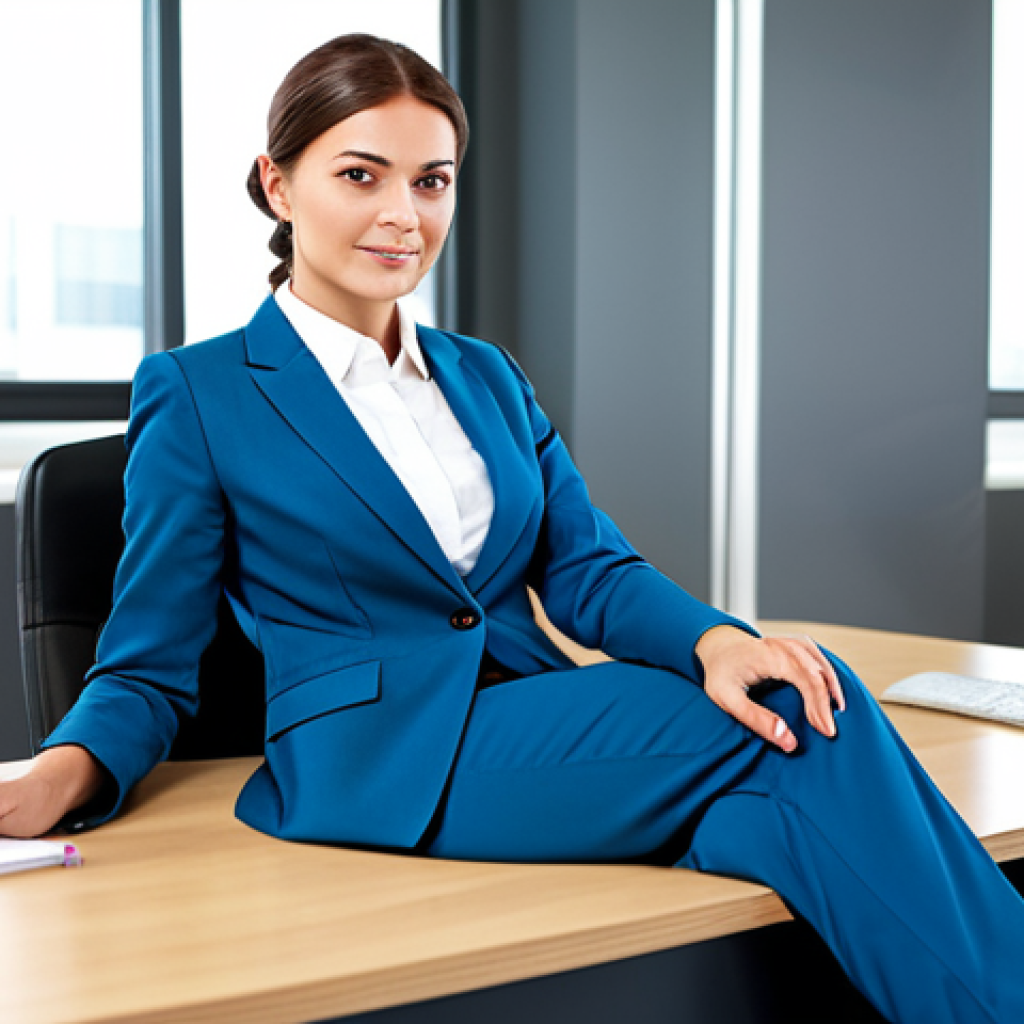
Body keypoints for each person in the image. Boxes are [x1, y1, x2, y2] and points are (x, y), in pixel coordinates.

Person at [1, 32, 1023, 1022]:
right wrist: (58, 773)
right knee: (809, 726)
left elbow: (587, 570)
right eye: (361, 175)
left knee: (785, 801)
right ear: (277, 184)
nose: (403, 214)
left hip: (533, 721)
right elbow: (146, 660)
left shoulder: (485, 375)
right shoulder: (202, 389)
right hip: (383, 760)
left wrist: (718, 641)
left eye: (431, 180)